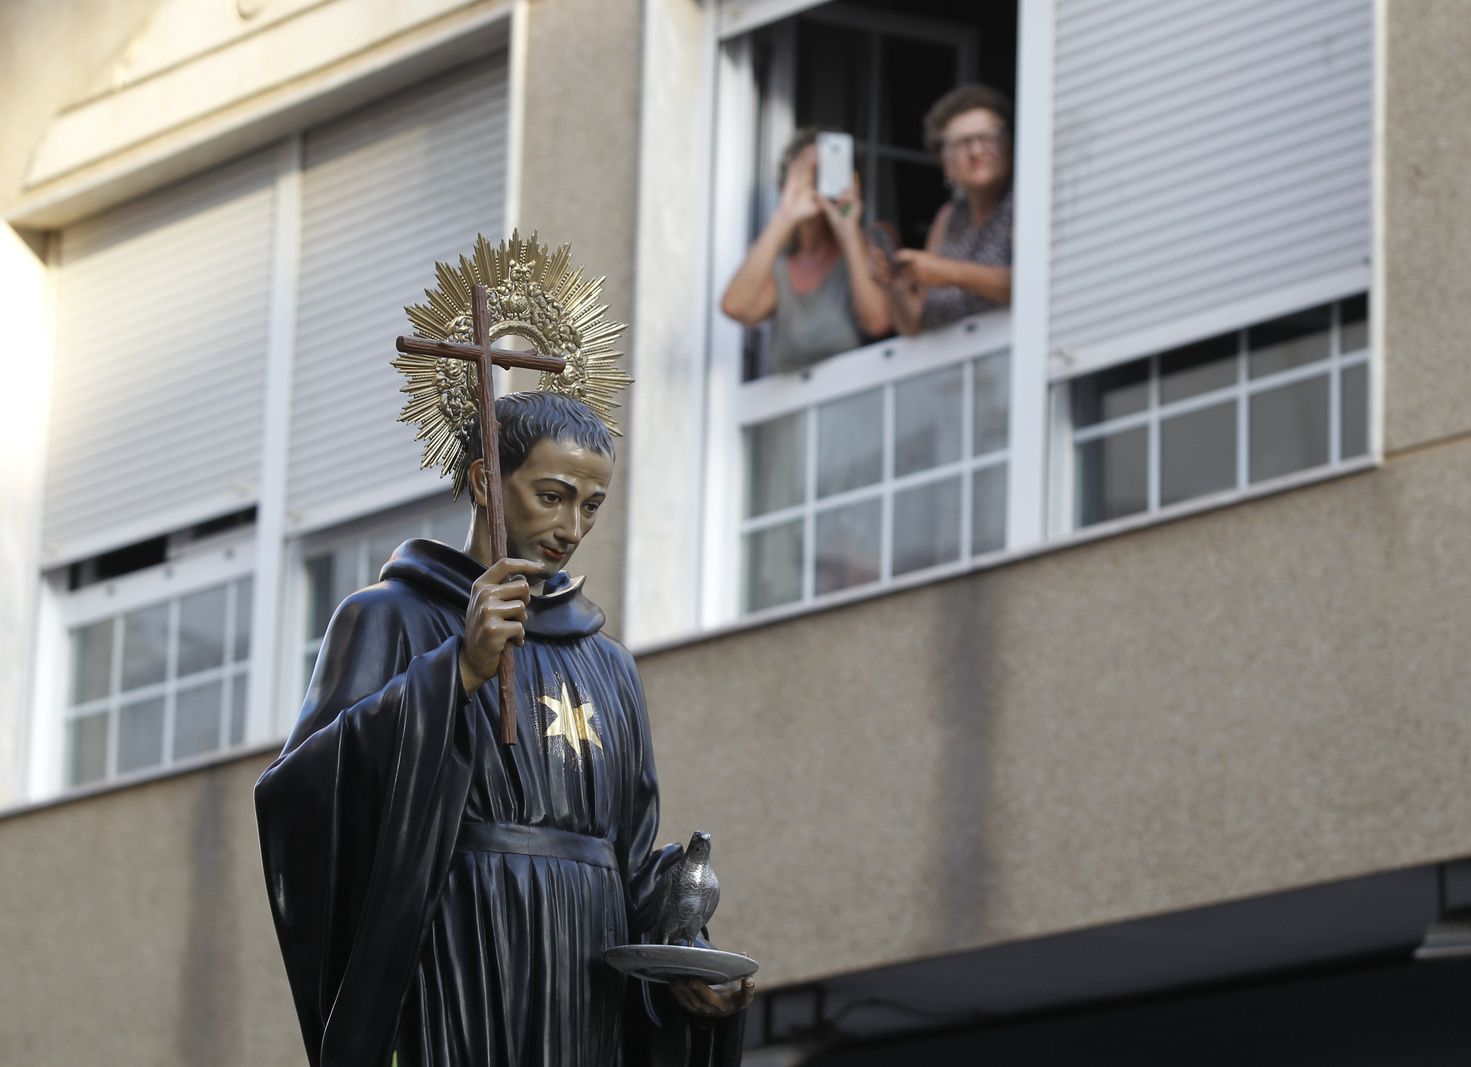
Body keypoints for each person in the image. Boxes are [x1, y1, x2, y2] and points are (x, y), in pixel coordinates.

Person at [255, 391, 752, 1067]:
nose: (572, 526)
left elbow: (630, 857)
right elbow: (302, 796)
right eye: (552, 495)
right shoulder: (391, 617)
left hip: (584, 975)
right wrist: (454, 673)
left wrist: (687, 954)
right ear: (486, 481)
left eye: (592, 504)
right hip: (460, 955)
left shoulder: (608, 664)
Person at [720, 128, 892, 374]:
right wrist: (785, 215)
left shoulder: (861, 255)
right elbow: (735, 307)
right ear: (785, 184)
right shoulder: (779, 268)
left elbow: (877, 322)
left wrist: (848, 228)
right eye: (806, 172)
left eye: (825, 171)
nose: (815, 181)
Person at [873, 85, 1014, 335]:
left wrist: (949, 272)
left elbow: (1034, 285)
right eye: (962, 143)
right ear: (945, 162)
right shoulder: (948, 219)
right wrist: (895, 284)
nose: (976, 151)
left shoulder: (1026, 203)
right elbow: (914, 325)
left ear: (1009, 143)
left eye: (988, 136)